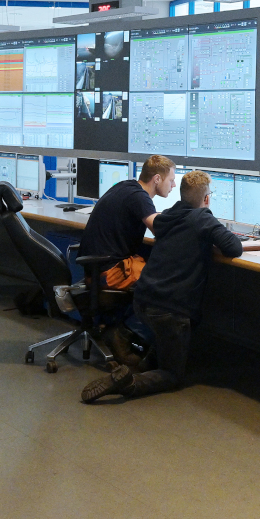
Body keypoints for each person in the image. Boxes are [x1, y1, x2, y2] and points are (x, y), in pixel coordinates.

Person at [81, 169, 242, 403]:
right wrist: (208, 220)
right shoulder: (203, 218)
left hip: (143, 300)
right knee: (172, 375)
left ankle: (133, 370)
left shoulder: (166, 215)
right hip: (171, 309)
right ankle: (128, 384)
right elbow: (234, 248)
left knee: (166, 341)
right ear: (206, 198)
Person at [80, 155, 176, 367]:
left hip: (99, 266)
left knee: (151, 264)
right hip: (110, 271)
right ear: (157, 179)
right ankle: (124, 333)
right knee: (165, 281)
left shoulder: (126, 186)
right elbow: (158, 228)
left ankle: (119, 328)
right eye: (171, 180)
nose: (174, 184)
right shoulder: (139, 197)